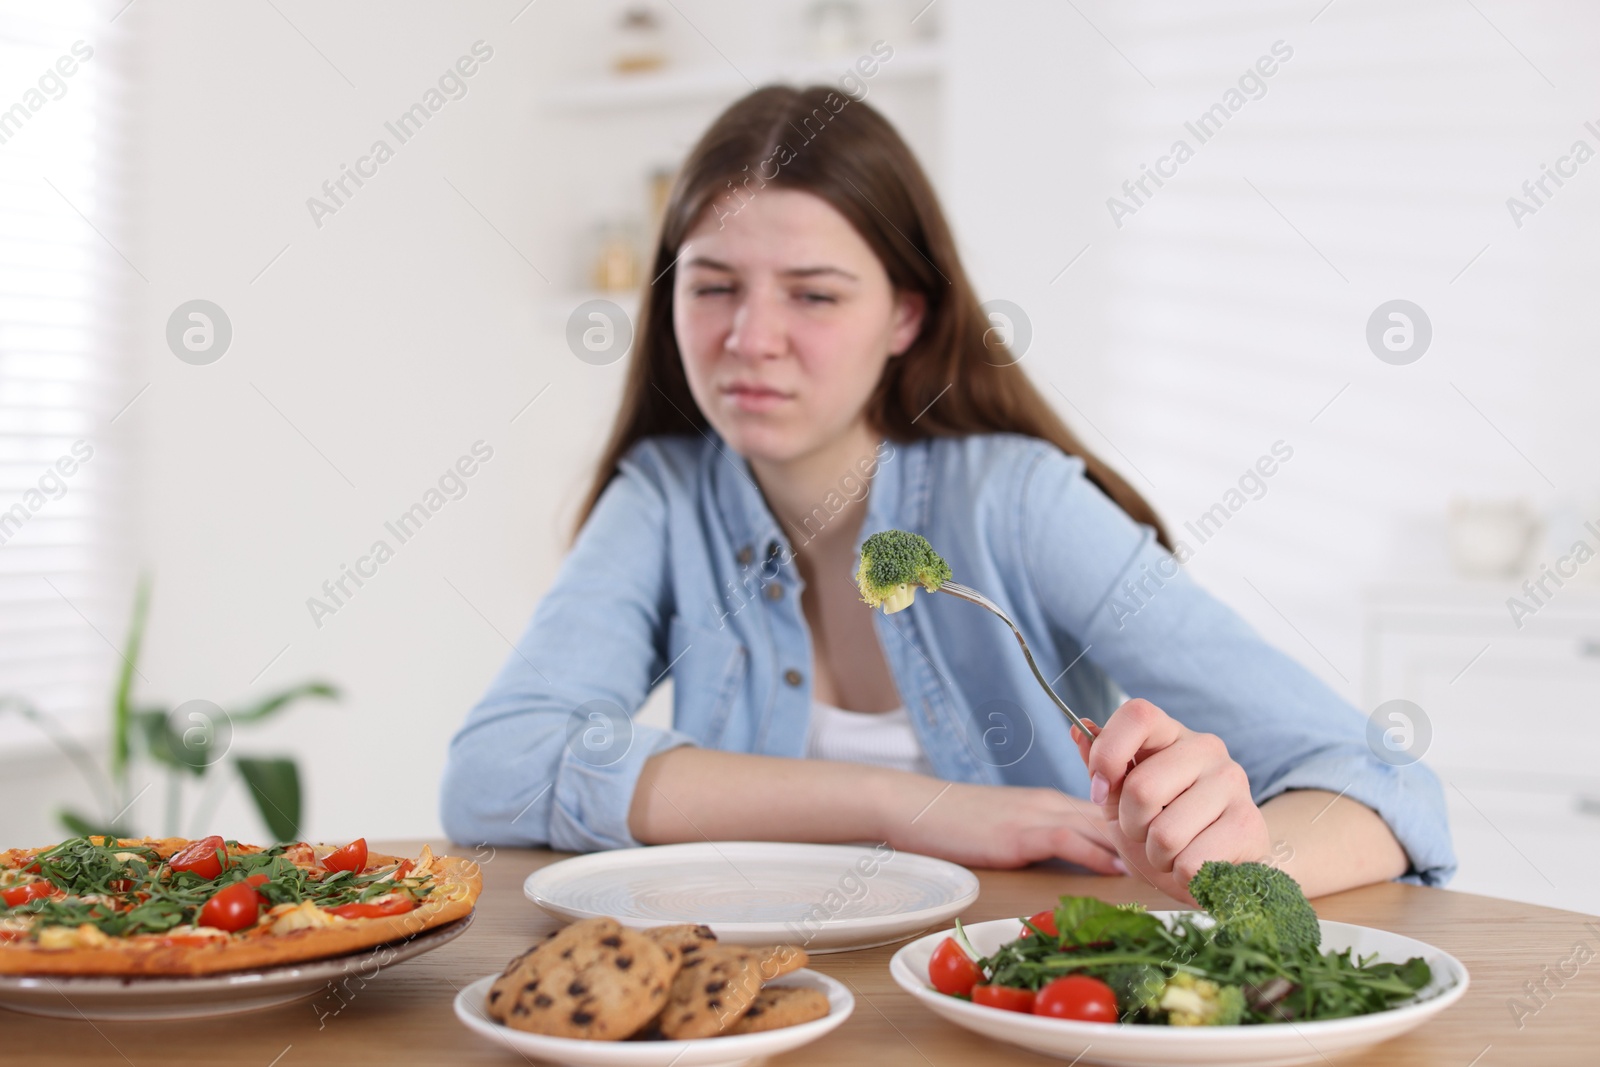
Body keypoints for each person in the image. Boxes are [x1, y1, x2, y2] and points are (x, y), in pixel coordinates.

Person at [439, 85, 1454, 902]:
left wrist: (1229, 858)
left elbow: (1385, 782)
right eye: (712, 285)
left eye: (813, 293)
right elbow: (496, 768)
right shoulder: (664, 497)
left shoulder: (1013, 500)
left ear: (905, 316)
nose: (749, 336)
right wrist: (910, 804)